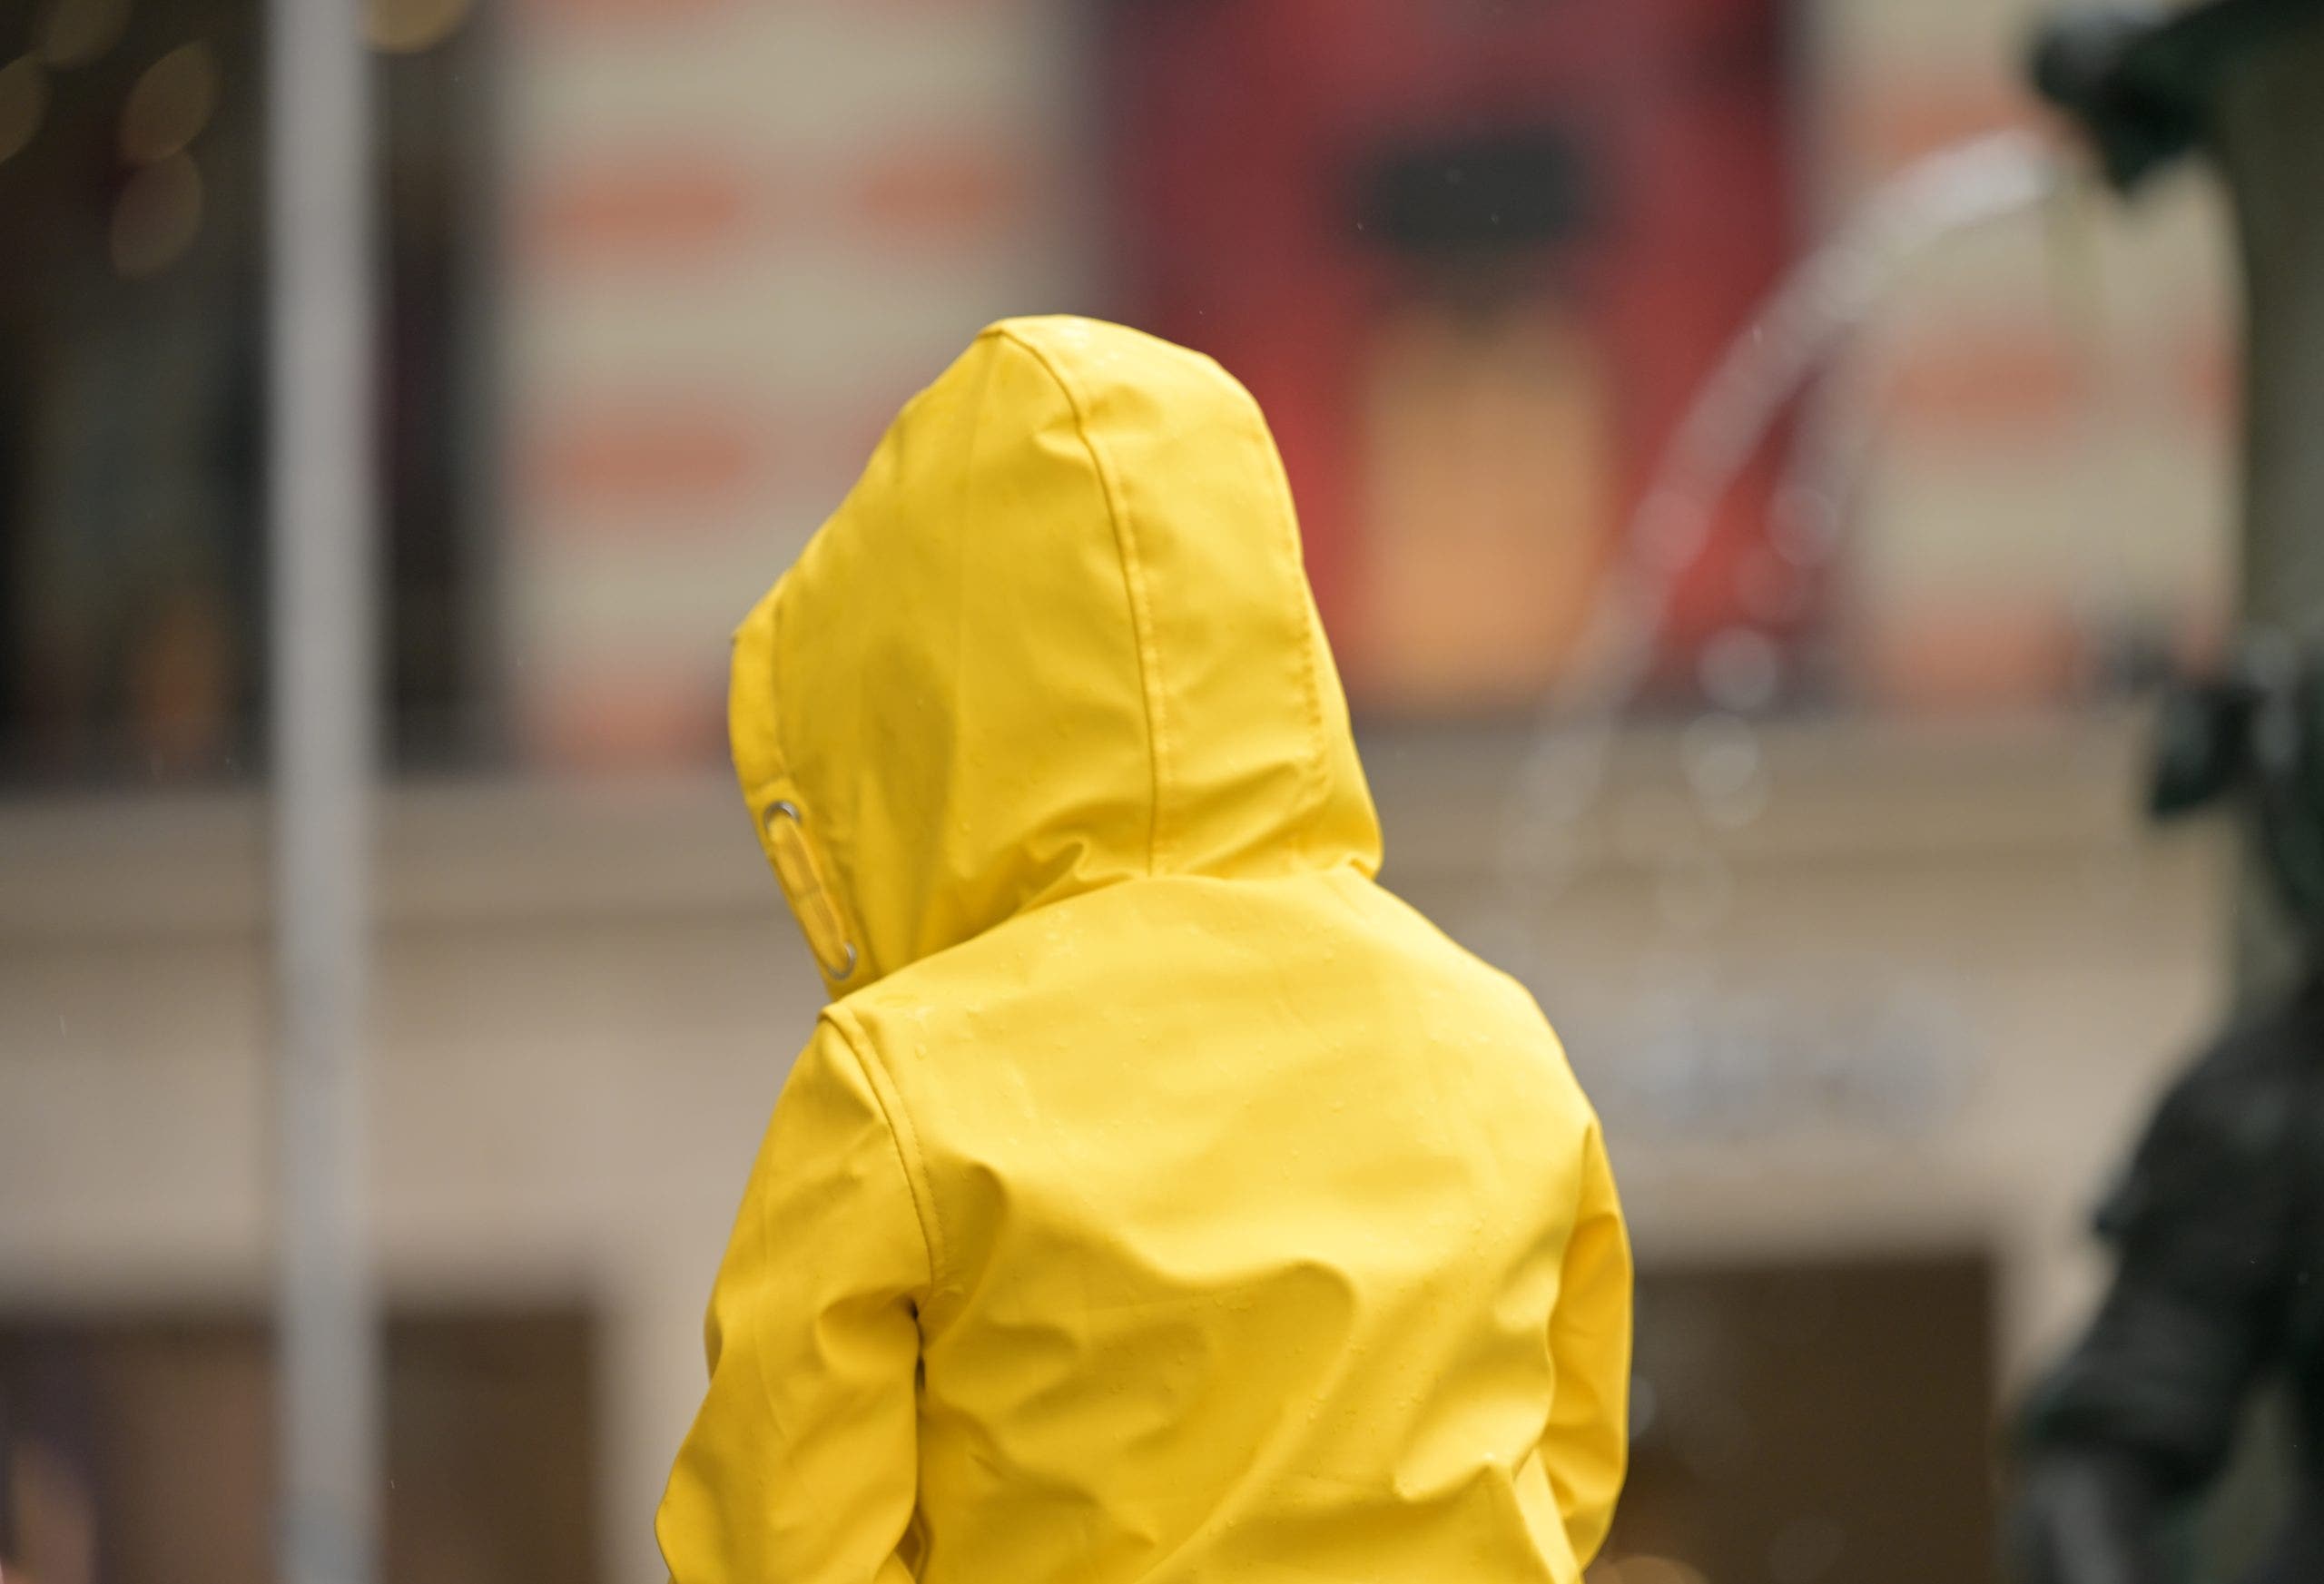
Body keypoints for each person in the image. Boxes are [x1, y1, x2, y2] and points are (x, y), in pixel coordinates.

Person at [655, 317, 1631, 1584]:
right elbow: (1567, 1464)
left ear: (911, 692)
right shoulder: (1493, 1036)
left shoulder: (898, 1083)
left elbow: (777, 1544)